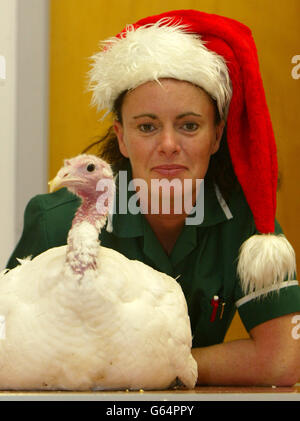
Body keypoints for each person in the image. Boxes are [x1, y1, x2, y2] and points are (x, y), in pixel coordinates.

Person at [6, 9, 300, 386]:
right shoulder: (57, 221)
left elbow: (283, 359)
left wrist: (156, 369)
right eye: (147, 127)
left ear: (216, 135)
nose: (168, 145)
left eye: (189, 125)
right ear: (122, 137)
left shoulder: (248, 224)